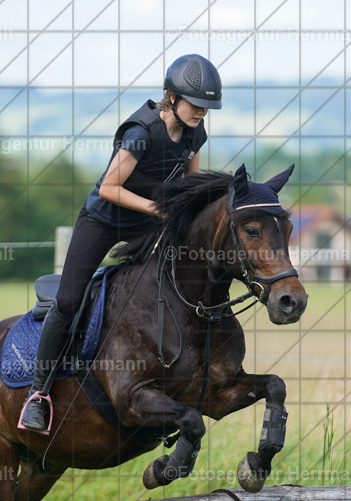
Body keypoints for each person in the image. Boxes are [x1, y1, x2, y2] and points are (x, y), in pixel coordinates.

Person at [18, 53, 223, 434]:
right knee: (66, 301)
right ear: (172, 98)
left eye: (207, 108)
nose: (201, 113)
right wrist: (159, 210)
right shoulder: (141, 133)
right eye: (196, 105)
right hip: (103, 221)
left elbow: (188, 188)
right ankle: (38, 394)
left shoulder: (195, 134)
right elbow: (109, 188)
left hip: (148, 224)